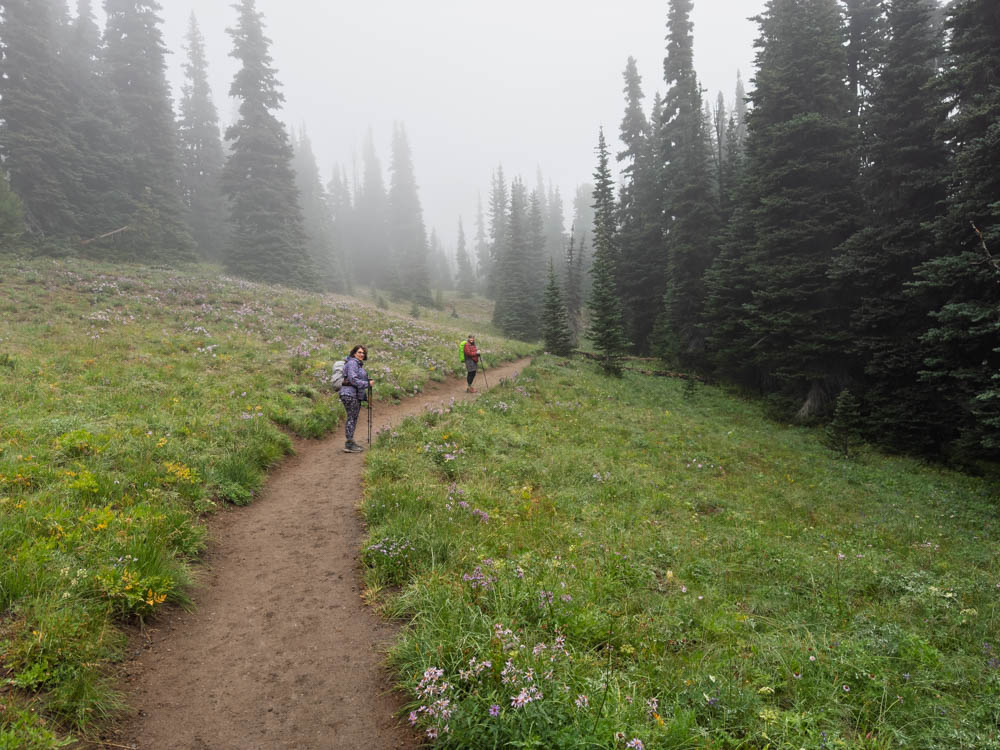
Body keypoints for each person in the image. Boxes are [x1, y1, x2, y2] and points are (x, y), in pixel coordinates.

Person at [340, 345, 373, 453]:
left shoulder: (356, 364)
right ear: (354, 353)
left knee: (352, 417)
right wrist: (367, 383)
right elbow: (353, 379)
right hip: (350, 394)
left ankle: (350, 442)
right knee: (352, 418)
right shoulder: (353, 363)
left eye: (363, 353)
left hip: (351, 394)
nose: (362, 354)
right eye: (359, 352)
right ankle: (349, 444)